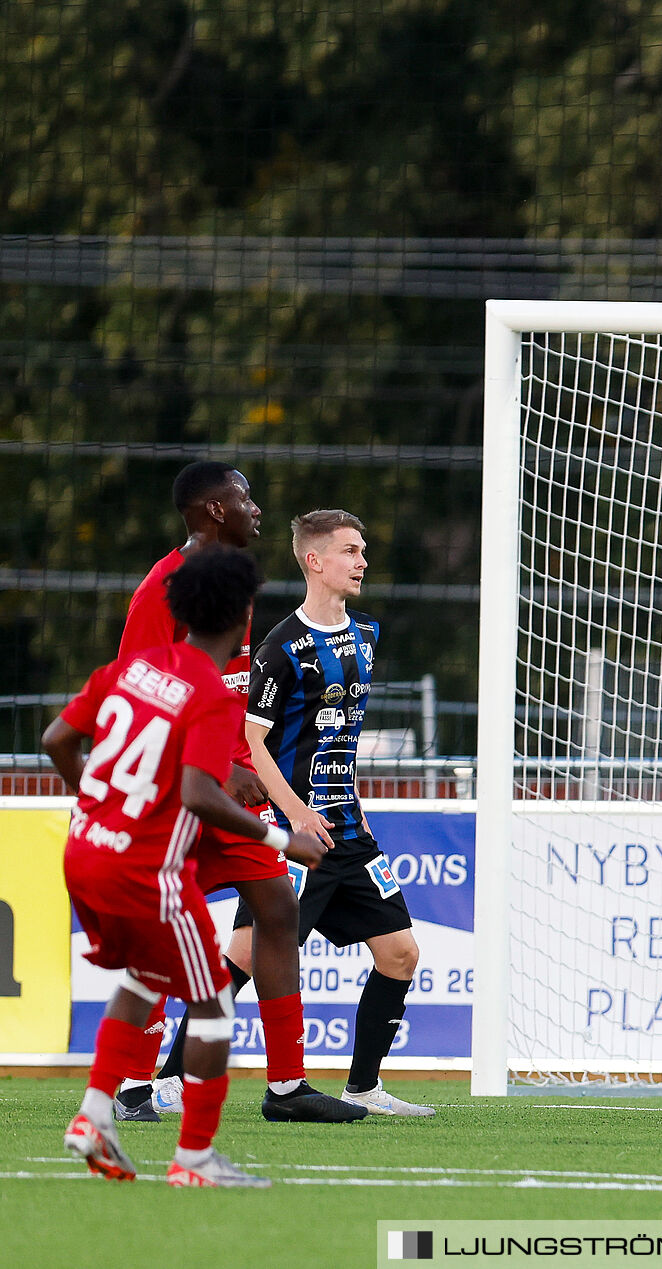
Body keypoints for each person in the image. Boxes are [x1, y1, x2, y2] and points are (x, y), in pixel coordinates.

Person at [46, 547, 327, 1186]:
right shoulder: (207, 692)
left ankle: (95, 1115)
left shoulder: (133, 669)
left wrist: (99, 800)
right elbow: (202, 792)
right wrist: (283, 840)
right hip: (146, 872)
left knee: (144, 976)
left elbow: (56, 740)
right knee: (212, 1009)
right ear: (240, 616)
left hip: (85, 851)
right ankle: (195, 1159)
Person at [113, 462, 364, 1125]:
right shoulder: (161, 589)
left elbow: (221, 691)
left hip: (229, 786)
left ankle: (287, 1087)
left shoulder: (236, 586)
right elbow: (143, 695)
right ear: (212, 510)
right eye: (244, 497)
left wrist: (241, 761)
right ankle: (132, 1084)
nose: (256, 507)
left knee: (277, 910)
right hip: (177, 791)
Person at [242, 509, 434, 1116]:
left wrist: (358, 810)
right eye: (351, 551)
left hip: (348, 832)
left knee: (400, 952)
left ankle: (364, 1087)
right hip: (294, 835)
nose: (362, 561)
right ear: (314, 561)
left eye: (363, 549)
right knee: (247, 961)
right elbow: (251, 742)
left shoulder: (366, 637)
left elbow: (339, 740)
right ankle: (165, 1080)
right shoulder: (280, 648)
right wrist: (296, 813)